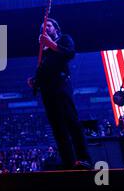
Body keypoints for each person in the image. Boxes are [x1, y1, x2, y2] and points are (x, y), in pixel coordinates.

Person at [27, 18, 91, 170]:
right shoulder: (43, 51)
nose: (46, 28)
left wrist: (51, 44)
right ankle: (69, 161)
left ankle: (84, 159)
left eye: (48, 26)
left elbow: (69, 53)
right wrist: (35, 81)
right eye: (43, 27)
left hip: (61, 86)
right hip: (47, 91)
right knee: (57, 128)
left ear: (56, 28)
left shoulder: (63, 39)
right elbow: (43, 70)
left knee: (72, 123)